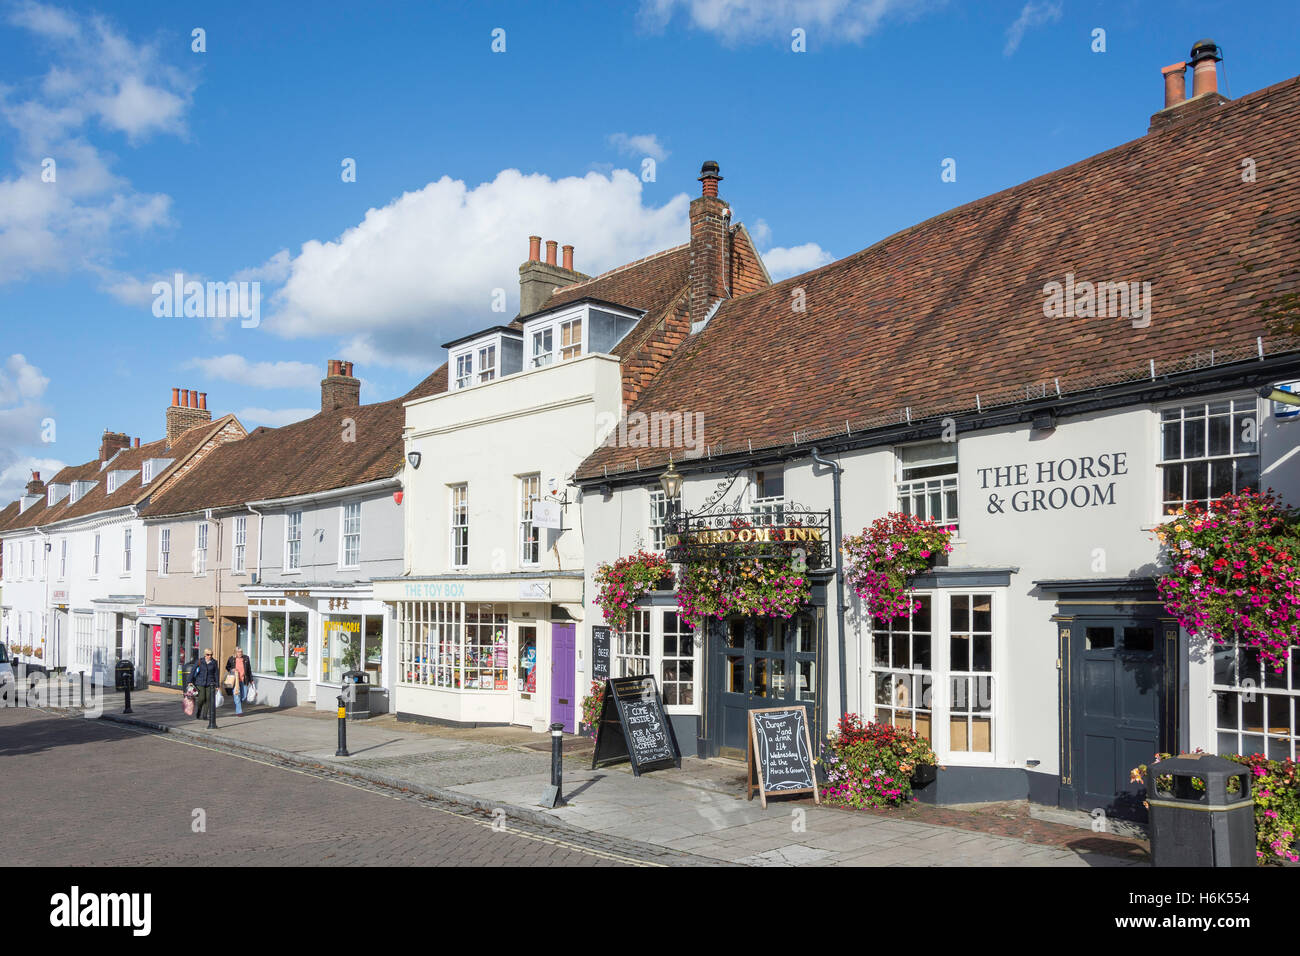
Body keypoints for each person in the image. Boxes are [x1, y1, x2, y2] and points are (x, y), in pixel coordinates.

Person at [225, 645, 254, 715]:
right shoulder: (231, 659)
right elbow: (227, 667)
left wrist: (251, 680)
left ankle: (238, 704)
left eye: (241, 652)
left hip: (244, 680)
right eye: (238, 652)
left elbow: (249, 670)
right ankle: (239, 711)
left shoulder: (246, 658)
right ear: (235, 652)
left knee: (243, 696)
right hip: (235, 680)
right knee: (237, 695)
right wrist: (231, 669)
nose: (240, 653)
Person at [193, 648, 220, 721]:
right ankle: (198, 711)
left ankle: (205, 715)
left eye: (211, 655)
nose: (210, 656)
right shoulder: (199, 661)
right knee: (201, 698)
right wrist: (189, 681)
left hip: (210, 683)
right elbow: (193, 671)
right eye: (208, 655)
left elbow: (216, 674)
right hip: (200, 682)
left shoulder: (214, 662)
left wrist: (217, 685)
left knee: (208, 699)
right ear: (205, 655)